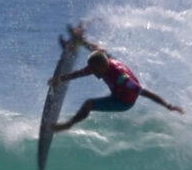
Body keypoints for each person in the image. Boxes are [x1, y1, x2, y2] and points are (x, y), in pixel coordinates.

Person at [49, 39, 184, 132]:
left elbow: (145, 92)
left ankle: (68, 125)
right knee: (100, 50)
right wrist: (60, 79)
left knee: (88, 104)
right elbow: (82, 73)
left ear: (103, 66)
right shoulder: (100, 65)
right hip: (113, 77)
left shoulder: (122, 79)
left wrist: (168, 106)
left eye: (95, 70)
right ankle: (81, 40)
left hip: (123, 101)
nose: (93, 74)